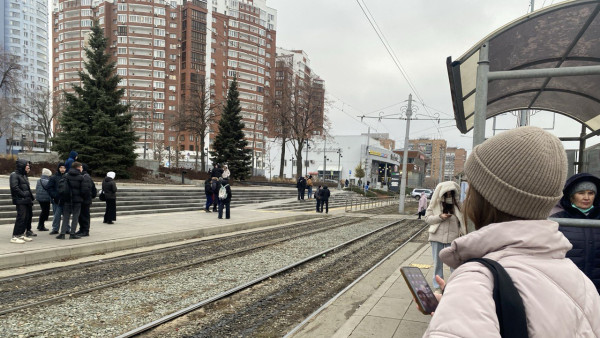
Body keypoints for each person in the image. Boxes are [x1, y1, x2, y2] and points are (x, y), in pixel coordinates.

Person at [423, 127, 600, 337]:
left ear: (487, 198)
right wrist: (455, 312)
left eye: (472, 187)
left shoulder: (476, 283)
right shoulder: (580, 281)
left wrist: (461, 302)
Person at [551, 172, 600, 292]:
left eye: (591, 193)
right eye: (581, 193)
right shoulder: (558, 220)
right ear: (571, 196)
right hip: (570, 287)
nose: (586, 198)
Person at [424, 181, 464, 292]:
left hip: (453, 239)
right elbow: (427, 219)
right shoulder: (434, 205)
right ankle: (438, 287)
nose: (449, 195)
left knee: (454, 264)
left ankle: (455, 285)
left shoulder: (458, 206)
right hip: (437, 237)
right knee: (437, 264)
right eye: (447, 193)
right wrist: (440, 217)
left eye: (451, 193)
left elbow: (463, 222)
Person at [58, 161, 87, 239]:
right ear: (78, 168)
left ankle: (62, 233)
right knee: (75, 217)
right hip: (77, 200)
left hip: (67, 199)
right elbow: (84, 190)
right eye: (81, 167)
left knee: (66, 217)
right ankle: (72, 233)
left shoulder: (66, 176)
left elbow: (60, 187)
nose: (81, 168)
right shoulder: (81, 177)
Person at [9, 159, 34, 244]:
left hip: (27, 200)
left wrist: (30, 196)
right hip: (20, 200)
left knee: (26, 218)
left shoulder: (24, 175)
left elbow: (27, 188)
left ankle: (21, 234)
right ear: (22, 166)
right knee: (21, 218)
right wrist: (23, 194)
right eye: (27, 165)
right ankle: (15, 236)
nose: (28, 167)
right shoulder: (14, 175)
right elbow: (14, 187)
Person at [76, 163, 96, 237]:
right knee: (81, 216)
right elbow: (93, 189)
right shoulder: (84, 176)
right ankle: (82, 229)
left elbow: (86, 190)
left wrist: (86, 197)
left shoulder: (85, 176)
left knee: (84, 216)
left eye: (80, 167)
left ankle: (85, 231)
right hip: (85, 200)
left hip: (85, 200)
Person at [47, 162, 66, 235]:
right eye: (61, 167)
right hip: (56, 199)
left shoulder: (67, 177)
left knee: (66, 215)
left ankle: (67, 228)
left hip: (65, 199)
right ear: (58, 168)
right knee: (56, 215)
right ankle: (55, 228)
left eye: (64, 168)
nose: (62, 169)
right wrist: (54, 195)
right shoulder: (54, 177)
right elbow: (49, 188)